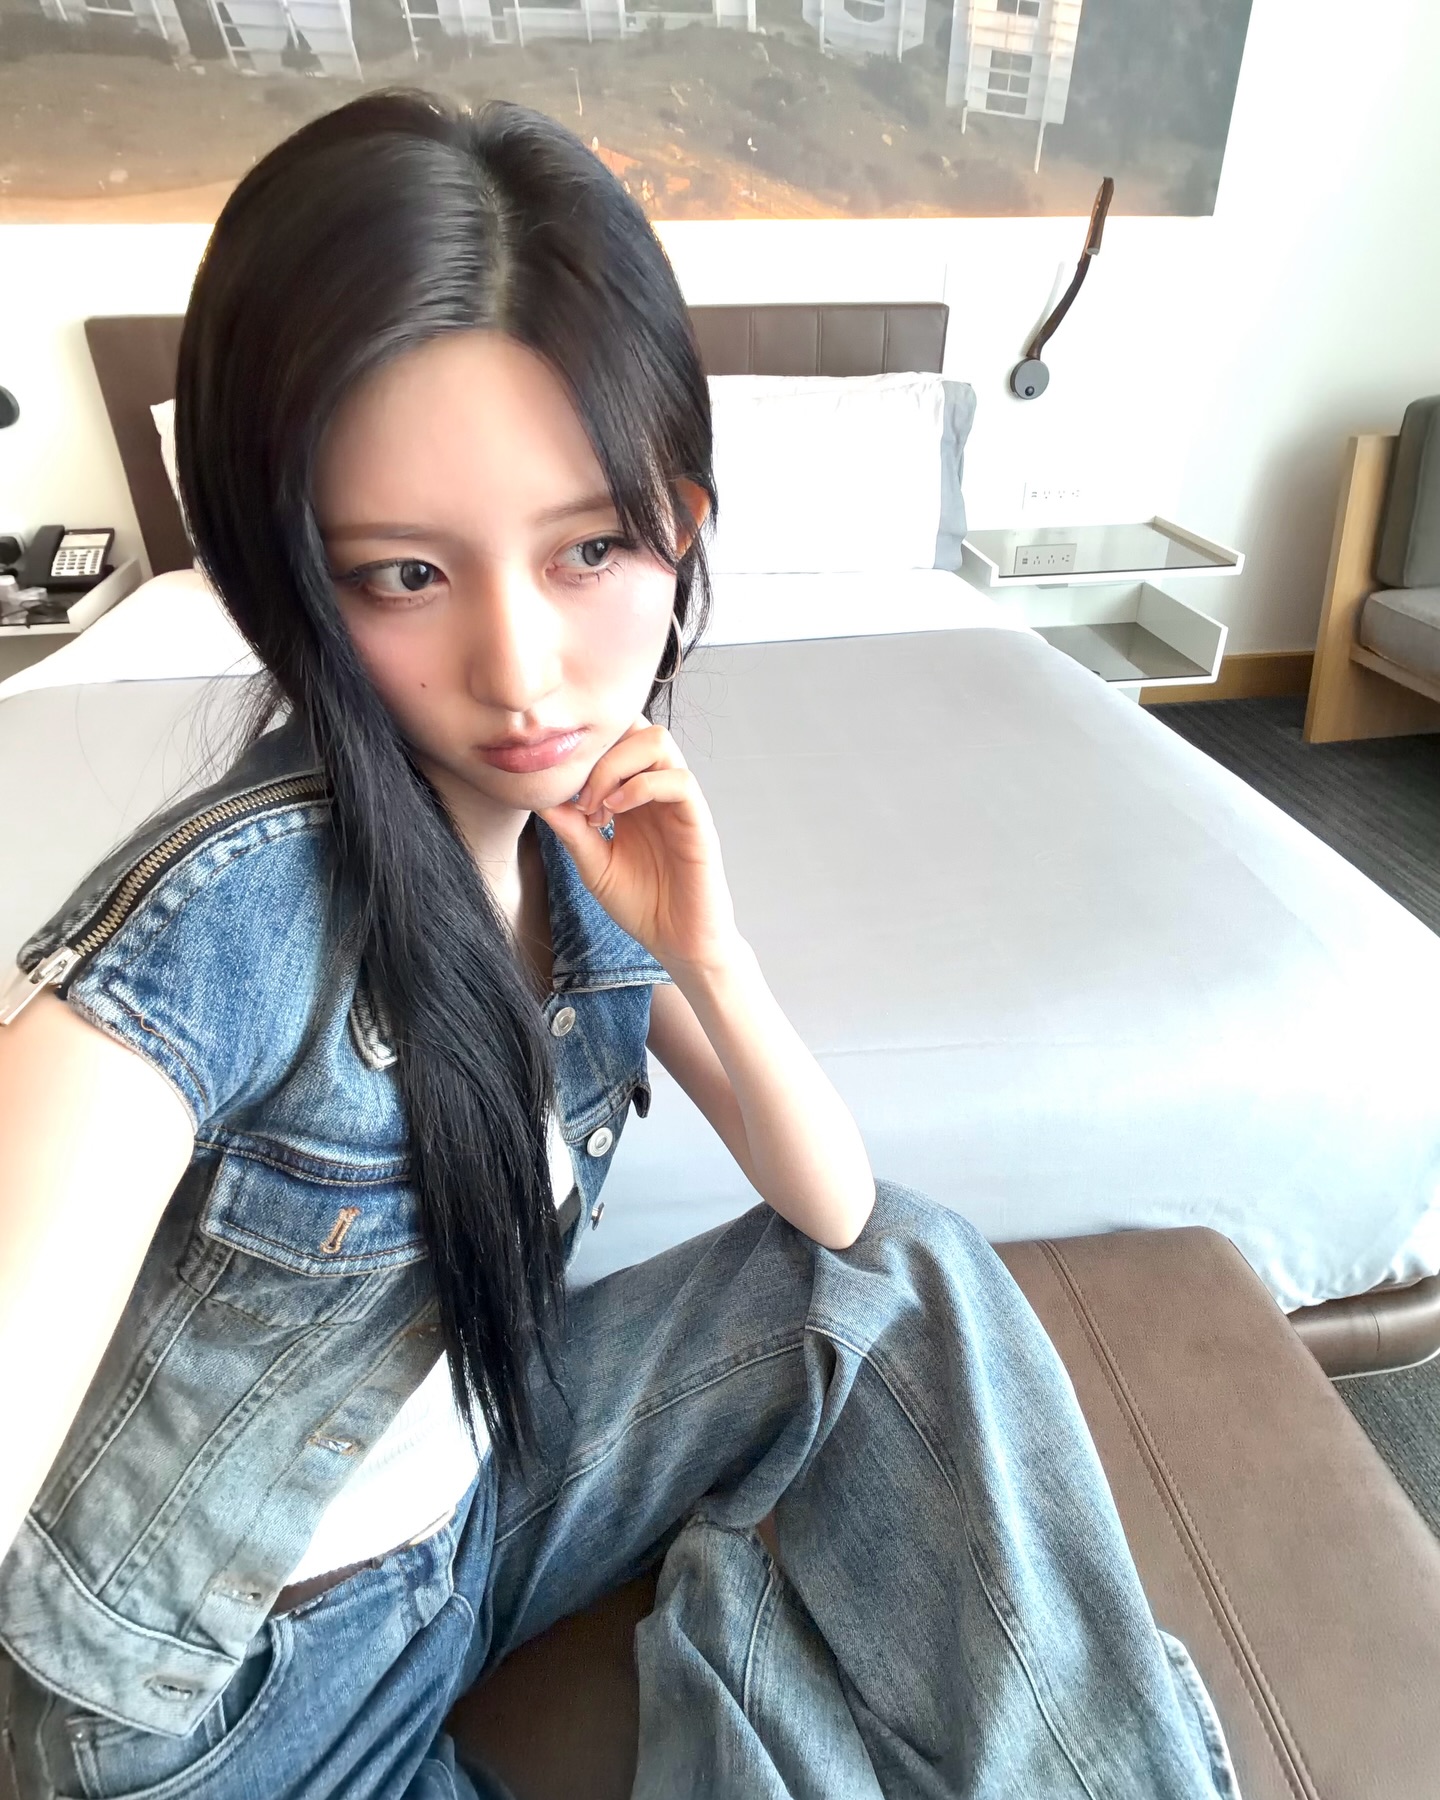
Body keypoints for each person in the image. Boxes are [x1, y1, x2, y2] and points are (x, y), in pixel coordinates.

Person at [0, 88, 1241, 1800]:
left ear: (683, 523)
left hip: (481, 1515)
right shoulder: (217, 926)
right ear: (289, 577)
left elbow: (836, 1211)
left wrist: (708, 954)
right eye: (403, 576)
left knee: (900, 1271)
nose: (524, 673)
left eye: (590, 548)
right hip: (233, 1709)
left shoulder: (577, 842)